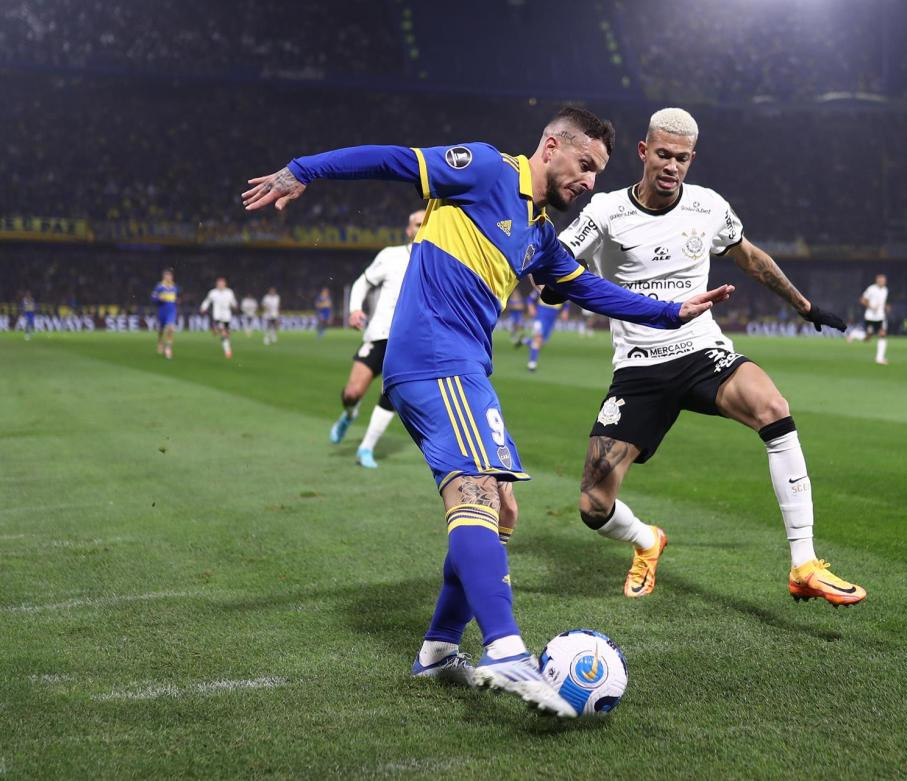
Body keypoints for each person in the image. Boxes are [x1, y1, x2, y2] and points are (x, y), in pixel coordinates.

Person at [242, 106, 732, 717]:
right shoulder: (484, 168)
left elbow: (587, 289)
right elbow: (393, 159)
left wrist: (670, 311)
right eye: (585, 165)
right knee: (475, 495)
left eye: (599, 173)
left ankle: (440, 651)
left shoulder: (538, 233)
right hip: (434, 357)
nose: (589, 182)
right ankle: (504, 650)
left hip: (465, 367)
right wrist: (300, 172)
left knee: (500, 510)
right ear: (551, 146)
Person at [556, 107, 866, 606]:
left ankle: (804, 563)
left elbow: (751, 258)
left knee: (773, 406)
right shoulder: (606, 213)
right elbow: (557, 261)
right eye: (662, 154)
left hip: (701, 351)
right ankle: (646, 540)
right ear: (643, 152)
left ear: (692, 159)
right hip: (638, 368)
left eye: (681, 158)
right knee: (593, 505)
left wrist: (805, 306)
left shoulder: (708, 207)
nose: (671, 166)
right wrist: (556, 284)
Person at [330, 209, 426, 468]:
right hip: (379, 334)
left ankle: (366, 448)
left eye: (426, 223)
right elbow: (362, 282)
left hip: (410, 342)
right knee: (352, 392)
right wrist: (354, 309)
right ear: (408, 230)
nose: (421, 227)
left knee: (391, 395)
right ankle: (349, 414)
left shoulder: (440, 262)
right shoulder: (390, 256)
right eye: (417, 223)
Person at [524, 286, 562, 372]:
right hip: (541, 314)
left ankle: (526, 341)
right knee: (538, 338)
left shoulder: (562, 285)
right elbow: (530, 298)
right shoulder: (542, 285)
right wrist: (531, 307)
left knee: (543, 342)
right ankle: (532, 364)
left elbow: (566, 300)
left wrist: (565, 311)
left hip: (552, 317)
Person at [200, 276, 238, 359]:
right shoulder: (213, 292)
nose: (220, 285)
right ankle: (227, 351)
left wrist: (235, 305)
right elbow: (207, 301)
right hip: (217, 316)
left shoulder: (229, 292)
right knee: (223, 332)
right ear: (217, 284)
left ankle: (216, 331)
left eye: (222, 283)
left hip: (227, 317)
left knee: (226, 334)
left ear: (225, 284)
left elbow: (233, 301)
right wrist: (203, 307)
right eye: (219, 283)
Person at [860, 274, 891, 365]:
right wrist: (871, 306)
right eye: (881, 280)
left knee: (882, 334)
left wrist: (886, 307)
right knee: (868, 337)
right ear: (877, 281)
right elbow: (862, 300)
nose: (883, 282)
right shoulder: (871, 289)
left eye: (884, 280)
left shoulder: (885, 290)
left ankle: (879, 358)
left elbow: (882, 303)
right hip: (870, 317)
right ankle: (855, 334)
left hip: (880, 317)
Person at [151, 269, 180, 359]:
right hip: (162, 310)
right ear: (164, 277)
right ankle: (160, 340)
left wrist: (177, 300)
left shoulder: (175, 287)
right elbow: (153, 297)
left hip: (171, 310)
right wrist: (159, 299)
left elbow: (177, 297)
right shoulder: (159, 286)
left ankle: (168, 348)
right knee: (161, 329)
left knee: (170, 328)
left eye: (170, 276)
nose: (168, 278)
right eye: (166, 276)